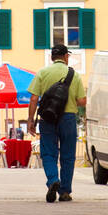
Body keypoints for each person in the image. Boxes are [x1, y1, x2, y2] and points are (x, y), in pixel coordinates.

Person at [27, 44, 86, 202]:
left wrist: (30, 120)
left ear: (52, 57)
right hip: (68, 118)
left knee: (48, 153)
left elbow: (33, 98)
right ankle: (65, 191)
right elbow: (82, 100)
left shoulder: (42, 73)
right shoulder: (75, 75)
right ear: (66, 57)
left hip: (48, 118)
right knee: (68, 155)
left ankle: (53, 180)